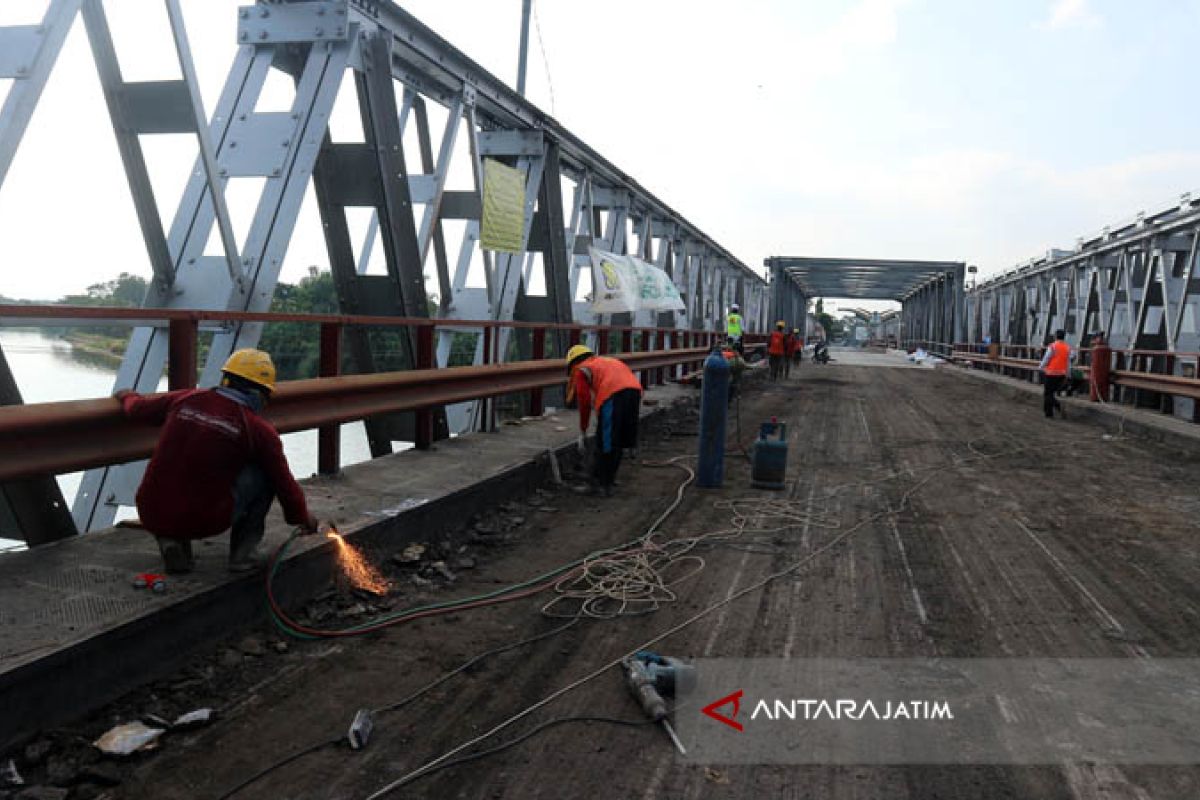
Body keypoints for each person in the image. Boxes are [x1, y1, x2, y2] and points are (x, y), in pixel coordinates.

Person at [115, 349, 320, 574]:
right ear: (259, 394)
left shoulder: (186, 397)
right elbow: (284, 484)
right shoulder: (257, 429)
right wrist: (301, 517)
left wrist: (127, 396)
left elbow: (137, 409)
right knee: (264, 475)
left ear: (226, 379)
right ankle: (243, 556)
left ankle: (171, 540)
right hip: (202, 521)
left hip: (150, 511)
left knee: (182, 476)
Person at [565, 344, 643, 497]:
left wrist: (583, 430)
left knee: (605, 442)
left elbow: (584, 401)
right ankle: (608, 479)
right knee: (618, 439)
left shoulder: (582, 369)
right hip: (634, 392)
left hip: (613, 394)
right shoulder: (606, 361)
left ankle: (600, 485)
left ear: (573, 363)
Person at [1038, 329, 1072, 419]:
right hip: (1061, 374)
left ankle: (1051, 412)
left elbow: (1047, 358)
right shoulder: (1067, 348)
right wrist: (1068, 374)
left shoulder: (1053, 346)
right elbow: (1068, 363)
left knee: (1048, 394)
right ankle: (1054, 409)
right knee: (1052, 393)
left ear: (1055, 336)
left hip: (1051, 373)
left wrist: (1040, 367)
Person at [721, 338, 747, 404]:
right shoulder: (736, 351)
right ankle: (735, 396)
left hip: (728, 368)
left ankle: (727, 399)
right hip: (735, 367)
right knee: (735, 383)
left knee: (729, 384)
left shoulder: (725, 349)